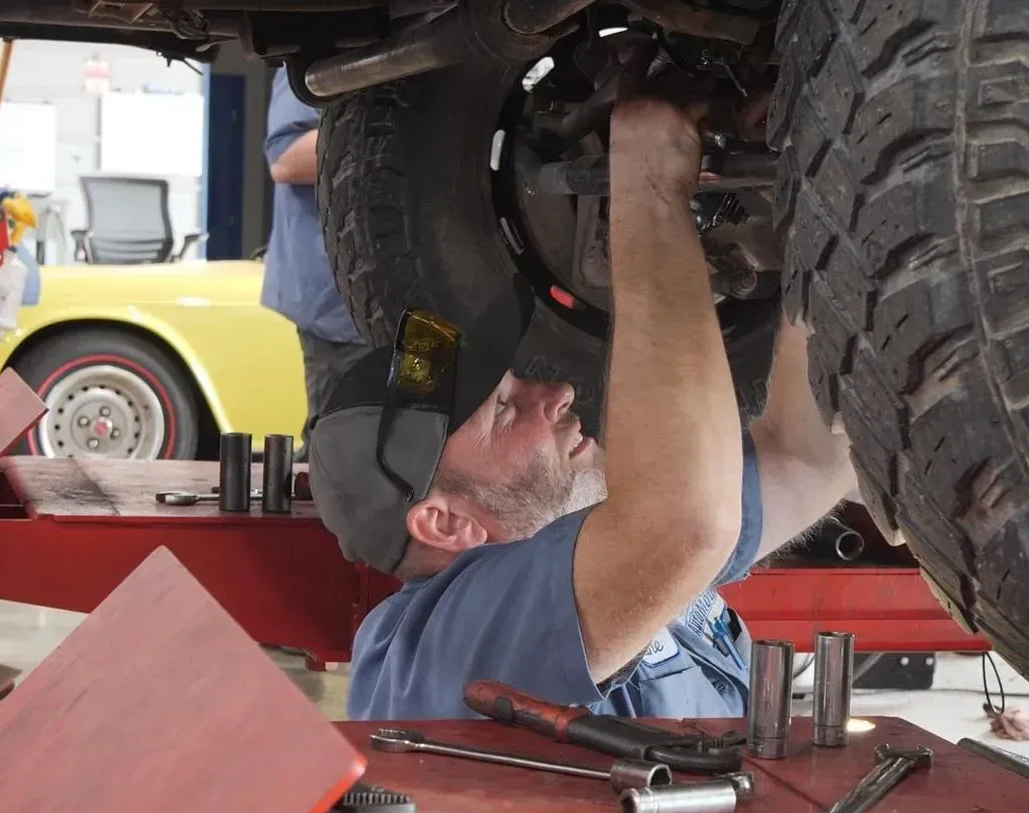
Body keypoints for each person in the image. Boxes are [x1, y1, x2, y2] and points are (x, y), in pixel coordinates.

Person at [307, 96, 853, 721]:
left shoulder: (596, 547)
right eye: (506, 411)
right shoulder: (447, 638)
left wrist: (830, 196)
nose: (558, 393)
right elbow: (687, 522)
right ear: (445, 524)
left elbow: (808, 454)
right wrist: (648, 191)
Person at [262, 67, 368, 439]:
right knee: (340, 442)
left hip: (405, 301)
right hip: (336, 304)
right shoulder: (317, 64)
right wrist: (391, 135)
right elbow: (286, 160)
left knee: (408, 441)